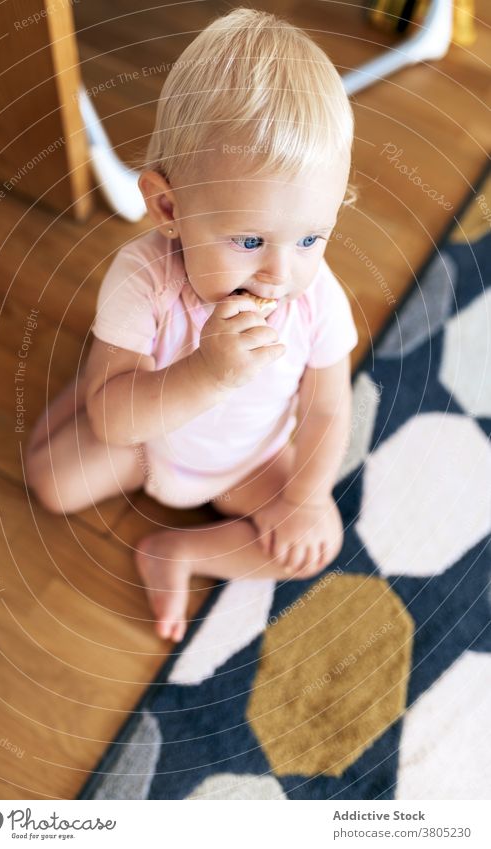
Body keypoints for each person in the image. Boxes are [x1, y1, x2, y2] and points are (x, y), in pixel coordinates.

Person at [25, 7, 359, 644]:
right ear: (169, 207)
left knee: (316, 541)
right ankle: (93, 378)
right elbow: (114, 425)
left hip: (249, 461)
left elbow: (325, 413)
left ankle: (180, 553)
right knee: (49, 481)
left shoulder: (315, 299)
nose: (278, 273)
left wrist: (305, 499)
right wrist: (206, 373)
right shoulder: (144, 279)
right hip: (144, 440)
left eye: (312, 236)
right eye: (250, 238)